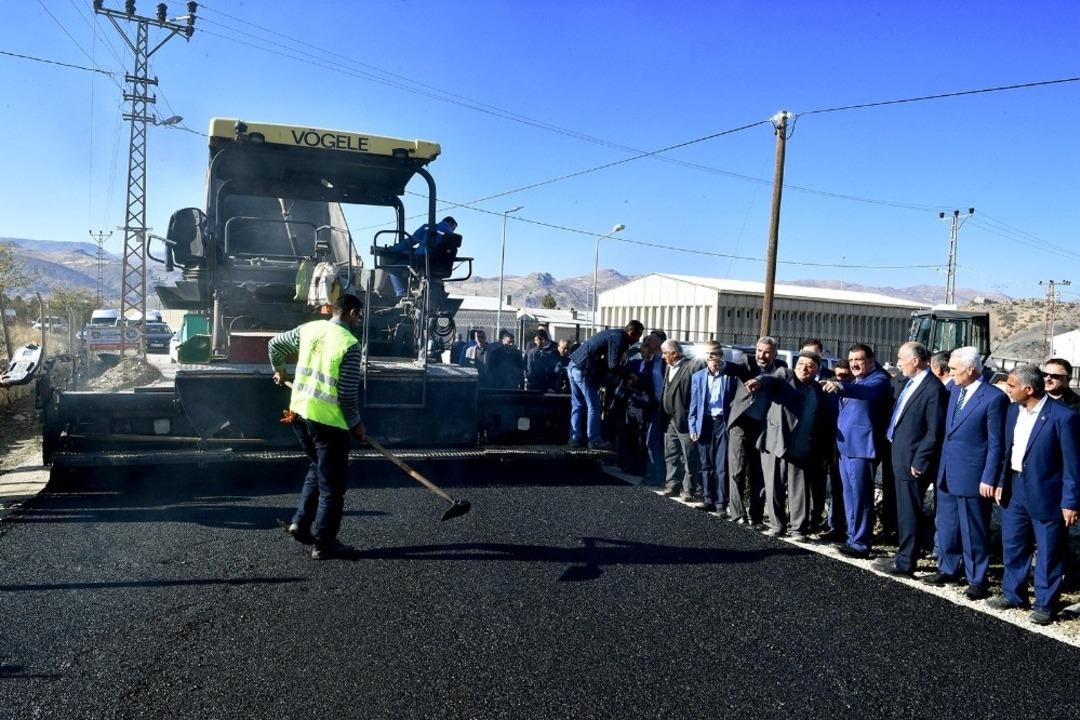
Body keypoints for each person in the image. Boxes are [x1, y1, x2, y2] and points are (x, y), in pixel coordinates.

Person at [269, 293, 366, 561]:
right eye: (360, 315)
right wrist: (357, 425)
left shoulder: (309, 329)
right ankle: (324, 543)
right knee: (332, 487)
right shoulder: (350, 344)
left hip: (299, 414)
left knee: (316, 467)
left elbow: (274, 344)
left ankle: (299, 523)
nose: (360, 320)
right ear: (352, 313)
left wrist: (279, 369)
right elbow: (346, 395)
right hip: (328, 424)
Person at [990, 364, 1080, 624]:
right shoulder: (1012, 412)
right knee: (1014, 542)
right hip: (1015, 487)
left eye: (1012, 385)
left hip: (1047, 492)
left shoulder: (1063, 417)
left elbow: (1073, 464)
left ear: (1028, 389)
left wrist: (1071, 501)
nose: (1008, 389)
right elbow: (1008, 452)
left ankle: (1045, 604)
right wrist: (1000, 482)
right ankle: (1014, 593)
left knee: (1049, 550)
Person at [922, 346, 1007, 599]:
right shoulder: (954, 390)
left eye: (954, 369)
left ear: (971, 369)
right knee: (946, 524)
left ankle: (977, 579)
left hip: (973, 476)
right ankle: (948, 567)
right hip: (947, 471)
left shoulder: (993, 398)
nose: (950, 372)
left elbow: (996, 444)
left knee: (973, 530)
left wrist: (989, 477)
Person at [873, 342, 948, 577]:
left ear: (915, 360)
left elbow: (934, 431)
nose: (898, 363)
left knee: (909, 511)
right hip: (899, 454)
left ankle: (906, 562)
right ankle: (902, 555)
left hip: (913, 461)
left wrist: (920, 461)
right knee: (902, 510)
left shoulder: (932, 389)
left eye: (901, 358)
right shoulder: (910, 383)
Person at [745, 351, 833, 539]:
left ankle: (797, 528)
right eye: (801, 364)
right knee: (774, 486)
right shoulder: (785, 375)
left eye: (810, 365)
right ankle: (777, 525)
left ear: (817, 369)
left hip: (802, 447)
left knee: (799, 490)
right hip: (775, 442)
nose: (804, 368)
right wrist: (759, 382)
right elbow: (770, 379)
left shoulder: (818, 389)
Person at [821, 344, 893, 558]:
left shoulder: (877, 380)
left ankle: (861, 543)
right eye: (851, 360)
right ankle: (853, 538)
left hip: (862, 449)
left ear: (870, 361)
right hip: (846, 448)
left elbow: (867, 393)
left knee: (861, 498)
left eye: (858, 360)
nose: (853, 364)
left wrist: (841, 386)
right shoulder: (856, 380)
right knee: (850, 496)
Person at [725, 336, 784, 528]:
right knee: (737, 471)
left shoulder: (780, 368)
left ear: (774, 353)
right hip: (741, 424)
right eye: (759, 351)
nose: (762, 355)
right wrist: (720, 365)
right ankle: (737, 514)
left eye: (767, 352)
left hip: (763, 427)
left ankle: (757, 517)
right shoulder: (747, 362)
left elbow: (776, 380)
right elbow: (735, 368)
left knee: (759, 473)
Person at [567, 321, 645, 449]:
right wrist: (628, 375)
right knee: (594, 406)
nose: (638, 340)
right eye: (638, 336)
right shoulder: (620, 338)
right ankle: (594, 440)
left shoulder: (614, 334)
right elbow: (612, 364)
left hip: (574, 365)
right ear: (631, 333)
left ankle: (574, 438)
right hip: (584, 370)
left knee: (578, 405)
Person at [688, 341, 739, 514]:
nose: (711, 357)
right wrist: (693, 426)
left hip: (722, 423)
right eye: (709, 354)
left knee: (721, 466)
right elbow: (694, 404)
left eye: (715, 353)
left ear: (721, 355)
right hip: (705, 422)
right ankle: (708, 499)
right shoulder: (698, 376)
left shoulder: (729, 376)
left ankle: (721, 503)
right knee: (705, 464)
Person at [658, 339, 700, 501]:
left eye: (665, 353)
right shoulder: (669, 367)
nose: (663, 356)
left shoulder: (690, 367)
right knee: (671, 454)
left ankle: (689, 489)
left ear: (674, 353)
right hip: (669, 420)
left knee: (689, 455)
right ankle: (672, 485)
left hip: (684, 420)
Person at [627, 333, 666, 485]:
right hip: (654, 406)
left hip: (667, 407)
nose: (647, 341)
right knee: (651, 441)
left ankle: (659, 476)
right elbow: (644, 382)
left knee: (658, 442)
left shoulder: (666, 361)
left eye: (651, 339)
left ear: (660, 343)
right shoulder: (652, 362)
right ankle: (655, 475)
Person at [388, 216, 459, 297]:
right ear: (450, 223)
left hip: (422, 261)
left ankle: (402, 294)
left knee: (394, 268)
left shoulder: (427, 228)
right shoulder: (453, 237)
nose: (452, 230)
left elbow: (410, 242)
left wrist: (394, 249)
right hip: (441, 266)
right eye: (453, 228)